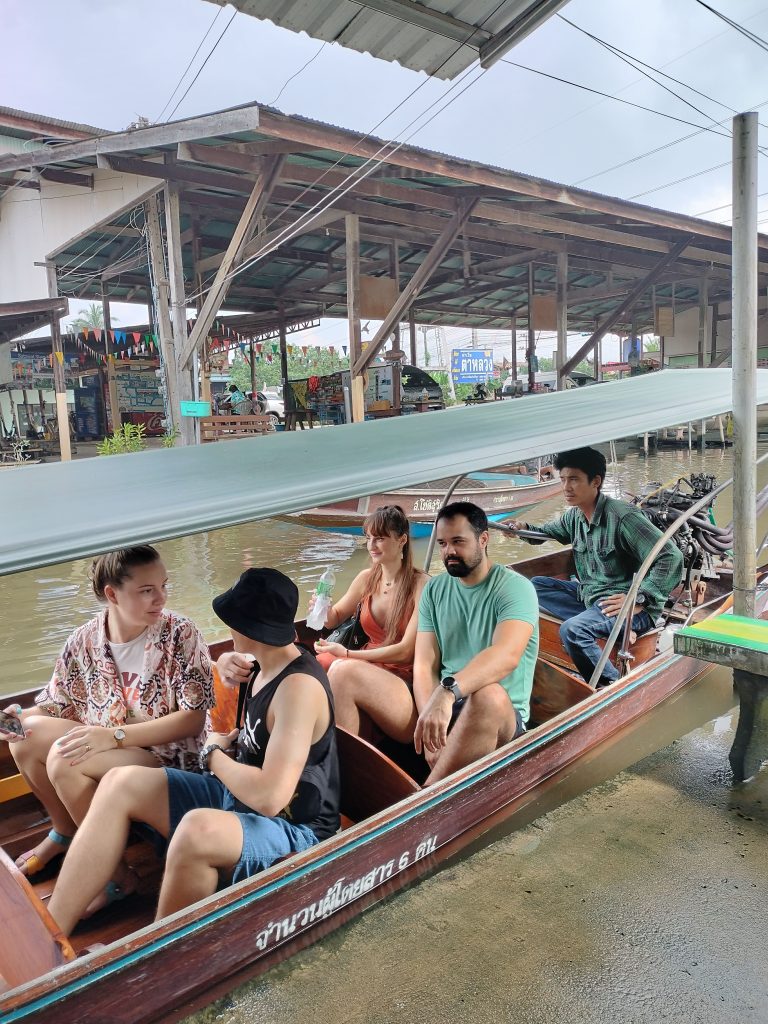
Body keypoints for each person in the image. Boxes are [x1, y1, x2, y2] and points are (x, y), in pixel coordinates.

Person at [47, 568, 340, 936]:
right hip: (238, 797)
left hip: (294, 829)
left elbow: (269, 796)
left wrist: (212, 754)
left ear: (250, 630)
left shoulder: (298, 689)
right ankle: (52, 935)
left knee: (195, 831)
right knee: (121, 783)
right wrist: (230, 666)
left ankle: (150, 961)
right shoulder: (265, 663)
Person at [1, 545, 214, 885]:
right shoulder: (84, 640)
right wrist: (13, 717)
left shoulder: (180, 633)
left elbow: (192, 720)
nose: (160, 598)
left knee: (65, 759)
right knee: (24, 735)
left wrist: (112, 737)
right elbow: (56, 703)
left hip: (168, 759)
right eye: (147, 591)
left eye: (163, 586)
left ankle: (115, 877)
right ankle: (65, 831)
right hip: (109, 748)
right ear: (112, 593)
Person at [510, 447, 683, 689]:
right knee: (532, 587)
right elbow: (547, 532)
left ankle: (611, 684)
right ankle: (602, 626)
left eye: (574, 480)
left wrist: (639, 597)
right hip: (590, 597)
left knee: (573, 631)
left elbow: (671, 556)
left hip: (627, 606)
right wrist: (520, 528)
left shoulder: (623, 517)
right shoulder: (575, 517)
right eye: (563, 480)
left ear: (596, 481)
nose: (566, 487)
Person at [413, 501, 539, 786]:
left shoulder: (515, 588)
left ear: (484, 539)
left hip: (500, 716)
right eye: (443, 544)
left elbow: (505, 655)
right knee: (346, 673)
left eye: (458, 541)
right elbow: (424, 664)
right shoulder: (435, 588)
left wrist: (447, 693)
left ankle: (423, 801)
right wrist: (430, 715)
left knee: (487, 695)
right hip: (446, 705)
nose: (449, 552)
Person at [313, 505, 428, 744]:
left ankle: (344, 760)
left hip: (402, 677)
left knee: (341, 668)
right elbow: (335, 617)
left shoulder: (422, 585)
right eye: (368, 538)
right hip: (365, 662)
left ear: (402, 540)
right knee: (314, 663)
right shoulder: (366, 578)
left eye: (380, 538)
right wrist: (321, 607)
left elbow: (407, 651)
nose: (371, 545)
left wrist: (346, 654)